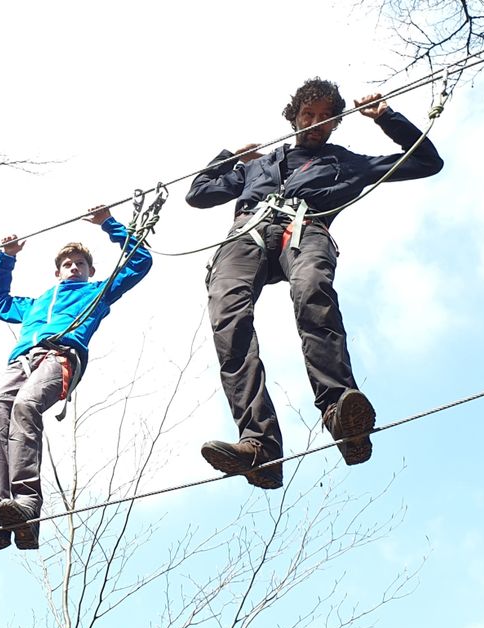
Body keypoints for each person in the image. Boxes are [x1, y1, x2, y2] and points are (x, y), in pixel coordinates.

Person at [185, 77, 443, 489]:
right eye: (308, 114)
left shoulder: (346, 161)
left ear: (336, 123)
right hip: (246, 235)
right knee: (228, 320)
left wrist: (387, 118)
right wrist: (229, 157)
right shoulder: (258, 165)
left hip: (306, 230)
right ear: (294, 117)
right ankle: (259, 447)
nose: (316, 122)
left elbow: (427, 162)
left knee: (312, 292)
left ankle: (342, 412)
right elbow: (198, 194)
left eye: (326, 117)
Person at [0, 205, 152, 550]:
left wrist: (108, 224)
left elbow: (140, 262)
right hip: (22, 361)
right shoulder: (36, 303)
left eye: (81, 264)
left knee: (25, 407)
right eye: (68, 264)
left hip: (60, 356)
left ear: (91, 271)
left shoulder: (97, 292)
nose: (74, 267)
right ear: (58, 271)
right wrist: (7, 257)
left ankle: (27, 503)